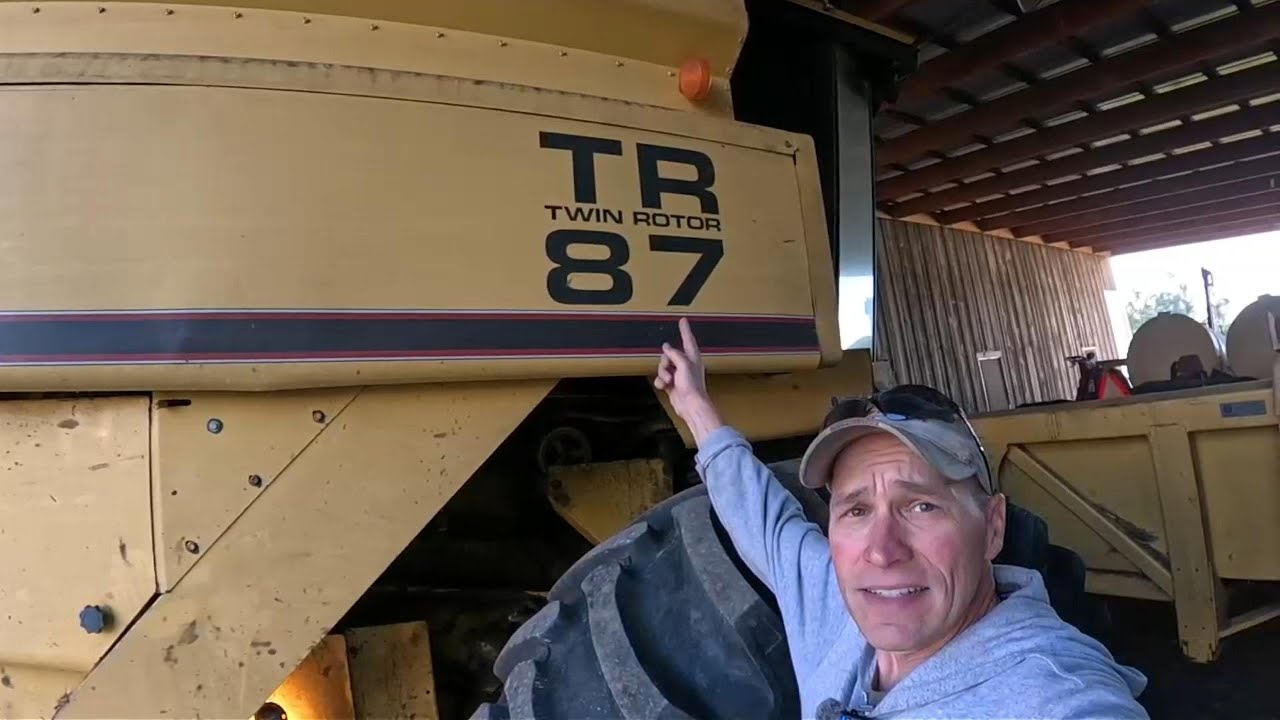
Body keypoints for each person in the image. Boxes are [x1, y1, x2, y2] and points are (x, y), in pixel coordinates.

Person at [654, 318, 1148, 719]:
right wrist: (696, 408)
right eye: (857, 509)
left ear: (993, 527)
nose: (882, 550)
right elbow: (763, 522)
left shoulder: (1051, 692)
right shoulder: (833, 602)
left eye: (921, 506)